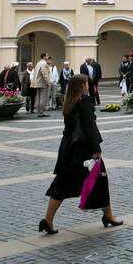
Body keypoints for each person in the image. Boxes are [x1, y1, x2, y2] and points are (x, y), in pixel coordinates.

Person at [39, 74, 123, 235]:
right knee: (100, 179)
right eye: (86, 83)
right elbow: (89, 125)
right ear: (82, 85)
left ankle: (47, 220)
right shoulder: (84, 100)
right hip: (84, 150)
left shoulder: (69, 101)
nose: (88, 85)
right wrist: (96, 148)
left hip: (69, 149)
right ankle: (109, 215)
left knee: (62, 184)